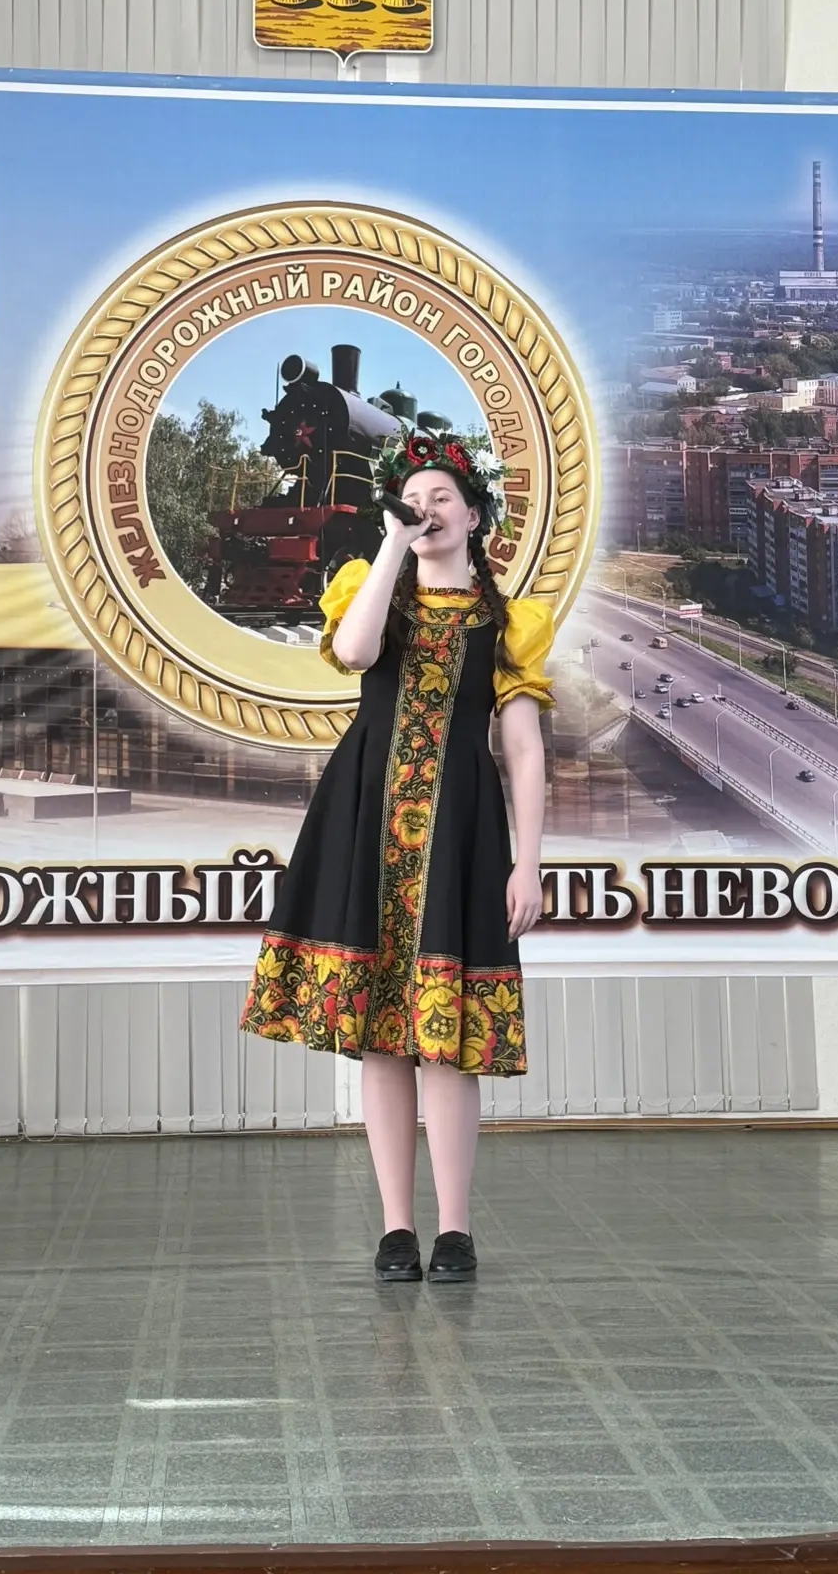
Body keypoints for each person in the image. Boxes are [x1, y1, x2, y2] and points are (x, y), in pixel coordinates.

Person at [240, 429, 552, 1284]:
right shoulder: (369, 586)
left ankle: (455, 1230)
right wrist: (389, 545)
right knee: (382, 1034)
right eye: (413, 498)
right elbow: (356, 653)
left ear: (476, 515)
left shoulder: (508, 622)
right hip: (367, 813)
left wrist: (527, 861)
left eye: (442, 496)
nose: (426, 508)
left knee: (445, 1038)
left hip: (460, 823)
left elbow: (523, 748)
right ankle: (395, 1228)